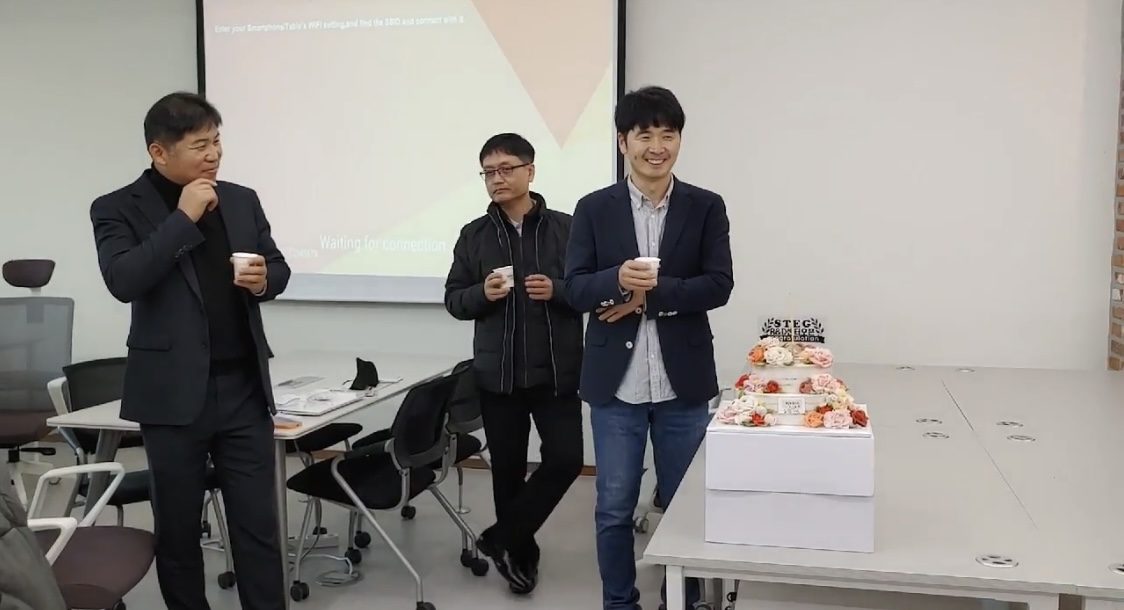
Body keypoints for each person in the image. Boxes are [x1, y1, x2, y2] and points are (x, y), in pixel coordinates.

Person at [89, 92, 290, 610]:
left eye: (217, 141)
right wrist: (183, 218)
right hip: (171, 398)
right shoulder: (115, 207)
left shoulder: (241, 199)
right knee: (178, 533)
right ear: (159, 152)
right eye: (200, 145)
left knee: (259, 527)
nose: (214, 154)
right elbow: (123, 279)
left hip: (243, 389)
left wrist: (266, 279)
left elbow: (277, 266)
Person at [565, 86, 734, 610]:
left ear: (679, 139)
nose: (657, 147)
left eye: (668, 134)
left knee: (686, 507)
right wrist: (618, 281)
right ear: (623, 142)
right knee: (614, 508)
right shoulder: (594, 208)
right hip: (616, 387)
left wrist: (649, 295)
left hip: (684, 385)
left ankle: (680, 601)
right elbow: (574, 288)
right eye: (644, 135)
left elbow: (719, 285)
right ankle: (619, 603)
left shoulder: (706, 206)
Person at [444, 133, 585, 595]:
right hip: (498, 375)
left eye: (506, 169)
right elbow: (454, 300)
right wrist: (481, 294)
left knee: (566, 459)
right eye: (489, 172)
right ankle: (518, 555)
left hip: (557, 371)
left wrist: (559, 290)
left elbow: (590, 290)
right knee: (506, 471)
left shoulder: (567, 228)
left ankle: (501, 537)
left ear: (530, 171)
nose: (497, 179)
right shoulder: (474, 235)